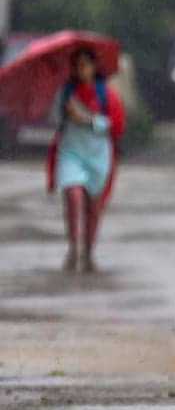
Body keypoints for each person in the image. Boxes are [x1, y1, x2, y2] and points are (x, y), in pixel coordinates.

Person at [45, 48, 125, 273]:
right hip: (71, 153)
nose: (81, 70)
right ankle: (73, 248)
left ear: (93, 67)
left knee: (93, 208)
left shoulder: (106, 95)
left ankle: (89, 253)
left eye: (85, 65)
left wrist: (87, 119)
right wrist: (65, 111)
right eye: (77, 65)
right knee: (73, 195)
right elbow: (53, 119)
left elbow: (117, 126)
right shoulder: (65, 93)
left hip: (98, 157)